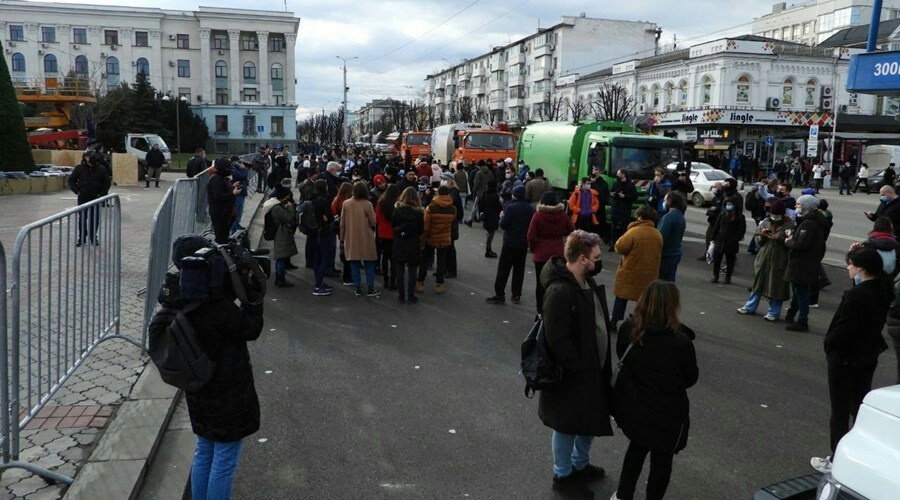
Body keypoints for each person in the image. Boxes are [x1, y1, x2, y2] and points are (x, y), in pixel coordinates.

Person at [154, 235, 264, 500]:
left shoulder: (176, 297)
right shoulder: (216, 306)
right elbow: (252, 328)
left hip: (198, 389)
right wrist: (253, 295)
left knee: (204, 450)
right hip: (227, 392)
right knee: (224, 461)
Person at [538, 230, 613, 494]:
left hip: (591, 368)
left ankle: (580, 463)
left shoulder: (585, 281)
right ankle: (563, 474)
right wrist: (577, 368)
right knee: (567, 424)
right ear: (582, 259)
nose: (599, 262)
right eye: (596, 257)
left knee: (588, 417)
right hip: (573, 373)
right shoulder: (559, 292)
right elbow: (557, 339)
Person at [612, 281, 698, 500]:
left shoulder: (629, 330)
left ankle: (623, 495)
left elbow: (622, 356)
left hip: (635, 406)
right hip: (668, 412)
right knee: (662, 461)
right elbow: (690, 378)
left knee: (636, 450)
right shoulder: (681, 342)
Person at [810, 247, 892, 474]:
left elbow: (843, 328)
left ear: (861, 268)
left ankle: (837, 457)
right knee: (858, 406)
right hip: (868, 354)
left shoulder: (856, 295)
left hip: (845, 358)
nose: (848, 267)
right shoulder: (883, 288)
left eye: (851, 264)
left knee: (839, 411)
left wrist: (830, 344)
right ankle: (862, 452)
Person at [737, 200, 795, 320]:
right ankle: (749, 307)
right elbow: (757, 239)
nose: (774, 217)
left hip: (780, 258)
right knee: (758, 283)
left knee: (776, 286)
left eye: (777, 214)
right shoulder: (766, 222)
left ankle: (773, 312)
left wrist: (778, 238)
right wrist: (763, 236)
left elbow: (791, 243)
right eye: (772, 214)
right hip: (764, 256)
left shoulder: (789, 225)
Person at [611, 207, 663, 328]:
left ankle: (615, 321)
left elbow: (620, 247)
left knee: (621, 297)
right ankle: (641, 322)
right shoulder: (657, 234)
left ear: (640, 217)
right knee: (643, 300)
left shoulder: (634, 231)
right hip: (649, 273)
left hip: (630, 271)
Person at [784, 195, 828, 332]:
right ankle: (791, 314)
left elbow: (801, 244)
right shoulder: (814, 221)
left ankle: (802, 321)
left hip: (802, 263)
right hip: (808, 262)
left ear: (806, 206)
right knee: (798, 291)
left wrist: (789, 241)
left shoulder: (809, 223)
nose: (796, 207)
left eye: (798, 204)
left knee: (801, 292)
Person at [527, 191, 574, 317]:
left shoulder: (538, 215)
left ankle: (540, 311)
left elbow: (531, 235)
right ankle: (554, 309)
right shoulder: (562, 215)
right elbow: (572, 230)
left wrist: (533, 248)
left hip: (541, 254)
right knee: (557, 284)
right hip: (558, 253)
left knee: (540, 283)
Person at [486, 185, 535, 305]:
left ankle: (500, 294)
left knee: (503, 269)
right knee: (519, 270)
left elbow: (503, 225)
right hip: (523, 243)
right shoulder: (530, 209)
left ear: (515, 195)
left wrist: (501, 217)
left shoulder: (511, 208)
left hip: (510, 242)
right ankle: (516, 294)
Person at [340, 182, 380, 297]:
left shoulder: (346, 204)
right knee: (369, 263)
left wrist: (342, 238)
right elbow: (373, 222)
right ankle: (370, 288)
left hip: (351, 237)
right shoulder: (367, 204)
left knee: (354, 263)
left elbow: (342, 223)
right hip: (366, 237)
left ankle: (357, 288)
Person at [416, 185, 456, 295]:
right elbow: (452, 223)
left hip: (431, 238)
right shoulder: (453, 209)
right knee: (441, 262)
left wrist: (422, 240)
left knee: (424, 261)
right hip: (444, 238)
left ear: (437, 193)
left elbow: (426, 227)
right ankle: (439, 285)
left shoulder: (431, 207)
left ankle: (420, 283)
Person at [69, 151, 112, 247]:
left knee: (94, 218)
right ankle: (82, 238)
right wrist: (77, 191)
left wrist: (101, 194)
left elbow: (107, 182)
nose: (90, 159)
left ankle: (93, 237)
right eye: (88, 157)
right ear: (84, 158)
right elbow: (72, 180)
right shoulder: (79, 168)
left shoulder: (100, 169)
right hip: (83, 196)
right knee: (82, 218)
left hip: (95, 197)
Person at [391, 187, 426, 304]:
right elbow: (421, 229)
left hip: (399, 241)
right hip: (412, 242)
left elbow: (393, 224)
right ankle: (411, 296)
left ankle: (401, 295)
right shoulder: (419, 212)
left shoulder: (397, 209)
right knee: (412, 270)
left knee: (399, 269)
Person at [710, 196, 746, 284]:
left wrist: (735, 239)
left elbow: (741, 230)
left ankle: (728, 277)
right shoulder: (722, 215)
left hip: (731, 242)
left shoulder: (739, 217)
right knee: (717, 259)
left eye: (730, 204)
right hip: (720, 240)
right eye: (727, 204)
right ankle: (716, 276)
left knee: (730, 261)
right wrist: (713, 238)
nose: (728, 206)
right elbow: (717, 227)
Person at [266, 184, 297, 287]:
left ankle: (280, 277)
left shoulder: (276, 206)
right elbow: (289, 218)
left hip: (281, 232)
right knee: (281, 257)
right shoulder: (277, 208)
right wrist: (290, 208)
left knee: (281, 256)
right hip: (281, 234)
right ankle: (280, 279)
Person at [309, 179, 336, 296]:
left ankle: (318, 282)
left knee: (317, 259)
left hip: (314, 232)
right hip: (323, 232)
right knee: (324, 258)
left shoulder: (311, 199)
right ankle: (318, 285)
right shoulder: (324, 201)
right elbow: (329, 217)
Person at [207, 158, 241, 244]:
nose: (230, 170)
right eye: (228, 168)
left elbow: (224, 190)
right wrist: (232, 194)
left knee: (224, 235)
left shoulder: (222, 178)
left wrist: (233, 187)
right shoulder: (216, 179)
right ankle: (220, 254)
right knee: (221, 238)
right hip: (219, 213)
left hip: (226, 212)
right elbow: (218, 196)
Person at [376, 185, 401, 291]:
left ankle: (385, 280)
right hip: (394, 234)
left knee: (385, 257)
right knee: (394, 259)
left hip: (383, 233)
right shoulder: (397, 205)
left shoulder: (381, 203)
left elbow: (376, 217)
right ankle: (392, 281)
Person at [657, 192, 687, 282]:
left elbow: (661, 237)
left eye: (665, 200)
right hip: (675, 253)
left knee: (661, 282)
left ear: (670, 201)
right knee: (669, 281)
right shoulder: (680, 216)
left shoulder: (668, 217)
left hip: (666, 255)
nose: (664, 202)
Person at [610, 169, 638, 250]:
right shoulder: (616, 183)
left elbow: (634, 197)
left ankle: (624, 245)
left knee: (624, 228)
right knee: (613, 227)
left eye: (618, 174)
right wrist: (612, 194)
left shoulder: (630, 185)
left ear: (623, 175)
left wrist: (625, 196)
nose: (617, 175)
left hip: (625, 209)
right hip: (616, 207)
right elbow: (612, 191)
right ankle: (613, 244)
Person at [697, 182, 725, 261]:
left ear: (719, 187)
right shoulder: (715, 198)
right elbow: (711, 208)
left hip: (719, 222)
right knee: (709, 238)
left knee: (719, 240)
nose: (713, 188)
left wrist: (716, 209)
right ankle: (707, 254)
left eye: (715, 187)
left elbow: (722, 209)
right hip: (713, 222)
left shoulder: (723, 197)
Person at [480, 181, 503, 258]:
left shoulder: (484, 193)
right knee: (491, 234)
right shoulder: (495, 196)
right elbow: (499, 207)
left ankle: (489, 249)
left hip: (486, 216)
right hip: (493, 217)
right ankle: (488, 250)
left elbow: (480, 204)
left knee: (488, 233)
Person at [229, 156, 249, 235]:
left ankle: (237, 225)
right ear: (235, 162)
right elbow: (242, 176)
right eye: (239, 162)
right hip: (238, 194)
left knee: (239, 211)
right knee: (237, 212)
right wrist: (244, 169)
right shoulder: (233, 168)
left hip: (241, 192)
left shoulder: (236, 168)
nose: (241, 163)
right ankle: (234, 231)